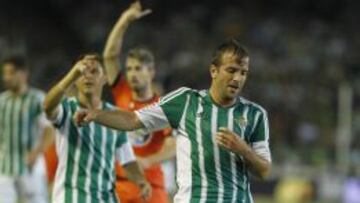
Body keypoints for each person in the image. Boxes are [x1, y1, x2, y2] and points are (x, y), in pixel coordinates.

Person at [76, 39, 272, 202]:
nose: (237, 78)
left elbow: (264, 171)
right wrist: (96, 115)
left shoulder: (255, 114)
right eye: (231, 70)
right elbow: (132, 120)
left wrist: (243, 149)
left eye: (243, 72)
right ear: (214, 71)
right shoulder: (186, 101)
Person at [43, 54, 151, 203]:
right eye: (82, 73)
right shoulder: (66, 109)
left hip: (106, 198)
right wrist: (71, 75)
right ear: (75, 79)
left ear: (105, 78)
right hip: (71, 197)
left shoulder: (115, 116)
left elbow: (127, 160)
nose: (87, 77)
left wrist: (141, 181)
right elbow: (48, 107)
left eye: (94, 72)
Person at [103, 1, 176, 203]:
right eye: (129, 69)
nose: (132, 74)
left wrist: (148, 161)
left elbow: (173, 145)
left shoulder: (164, 107)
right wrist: (124, 20)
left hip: (152, 188)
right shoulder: (122, 92)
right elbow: (109, 56)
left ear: (151, 72)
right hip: (120, 184)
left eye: (138, 68)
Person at [0, 55, 54, 203]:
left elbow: (49, 130)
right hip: (4, 168)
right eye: (5, 73)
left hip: (31, 168)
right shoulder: (2, 101)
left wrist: (36, 153)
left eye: (11, 73)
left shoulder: (37, 99)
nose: (6, 77)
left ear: (23, 74)